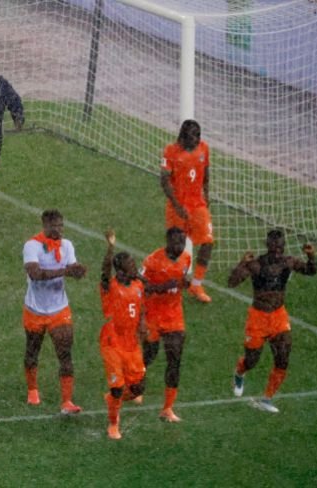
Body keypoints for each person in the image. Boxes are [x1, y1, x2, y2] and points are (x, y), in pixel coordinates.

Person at [228, 230, 317, 413]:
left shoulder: (288, 262)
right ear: (267, 245)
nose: (277, 249)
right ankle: (240, 371)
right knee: (252, 360)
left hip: (278, 316)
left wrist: (311, 256)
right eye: (274, 245)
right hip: (258, 318)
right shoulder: (255, 265)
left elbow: (310, 271)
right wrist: (241, 263)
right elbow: (232, 282)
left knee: (283, 357)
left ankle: (267, 399)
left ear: (283, 246)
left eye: (280, 245)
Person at [22, 209, 87, 414]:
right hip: (35, 308)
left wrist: (77, 271)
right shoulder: (32, 246)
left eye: (61, 225)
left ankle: (66, 402)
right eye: (55, 226)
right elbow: (35, 274)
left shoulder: (66, 246)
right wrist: (65, 271)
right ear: (44, 225)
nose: (59, 229)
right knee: (33, 350)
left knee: (65, 353)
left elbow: (71, 266)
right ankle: (33, 389)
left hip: (59, 308)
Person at [140, 227, 191, 422]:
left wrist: (183, 284)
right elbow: (140, 284)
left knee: (175, 358)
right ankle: (136, 386)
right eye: (177, 242)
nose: (180, 246)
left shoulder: (186, 258)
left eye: (183, 242)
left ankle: (167, 408)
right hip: (152, 314)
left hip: (174, 315)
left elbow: (181, 280)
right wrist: (163, 287)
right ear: (168, 241)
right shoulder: (152, 260)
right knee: (149, 355)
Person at [99, 230, 146, 440]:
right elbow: (104, 271)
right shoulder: (111, 287)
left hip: (131, 342)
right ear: (120, 271)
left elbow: (141, 307)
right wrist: (110, 248)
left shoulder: (138, 285)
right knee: (118, 388)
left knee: (137, 388)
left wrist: (142, 325)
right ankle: (113, 424)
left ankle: (111, 399)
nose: (135, 269)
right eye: (131, 267)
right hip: (112, 341)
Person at [160, 119, 213, 303]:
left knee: (208, 242)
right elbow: (164, 181)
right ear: (183, 136)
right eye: (193, 136)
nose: (197, 139)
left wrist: (206, 194)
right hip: (177, 207)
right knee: (176, 248)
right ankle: (168, 283)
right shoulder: (170, 152)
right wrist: (176, 205)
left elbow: (206, 173)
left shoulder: (204, 149)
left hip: (197, 205)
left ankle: (196, 285)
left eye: (199, 135)